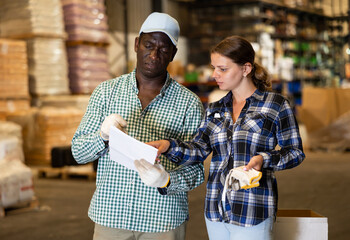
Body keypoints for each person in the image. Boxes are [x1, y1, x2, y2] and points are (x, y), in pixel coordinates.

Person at [143, 35, 305, 240]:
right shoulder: (215, 109)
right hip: (215, 211)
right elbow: (199, 148)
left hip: (253, 210)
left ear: (246, 69)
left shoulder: (275, 104)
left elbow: (295, 152)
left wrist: (264, 159)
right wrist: (168, 146)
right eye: (214, 67)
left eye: (222, 69)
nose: (214, 74)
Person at [71, 12, 205, 240]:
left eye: (163, 49)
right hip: (111, 217)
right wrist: (102, 136)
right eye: (148, 44)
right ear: (136, 44)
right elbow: (78, 153)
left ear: (173, 53)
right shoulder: (106, 93)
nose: (154, 54)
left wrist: (167, 181)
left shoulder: (189, 104)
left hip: (162, 219)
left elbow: (197, 170)